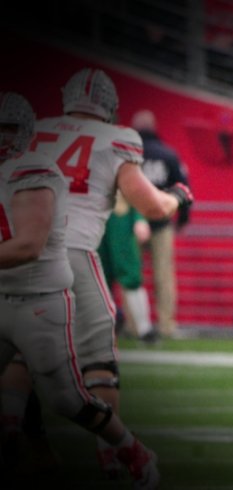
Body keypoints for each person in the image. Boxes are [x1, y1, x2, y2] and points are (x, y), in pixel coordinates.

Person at [19, 67, 193, 477]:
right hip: (73, 252)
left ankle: (30, 443)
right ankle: (113, 452)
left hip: (20, 254)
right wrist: (176, 198)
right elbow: (150, 206)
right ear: (109, 105)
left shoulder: (36, 129)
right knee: (98, 361)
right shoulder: (117, 138)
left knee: (17, 358)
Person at [0, 91, 160, 487]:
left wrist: (170, 201)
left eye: (9, 130)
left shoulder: (34, 170)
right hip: (6, 292)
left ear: (26, 134)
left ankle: (128, 448)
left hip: (39, 299)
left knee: (67, 399)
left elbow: (28, 245)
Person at [132, 109, 189, 339]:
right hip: (162, 222)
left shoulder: (128, 155)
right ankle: (167, 324)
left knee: (131, 276)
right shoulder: (168, 154)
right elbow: (182, 188)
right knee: (163, 277)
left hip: (132, 223)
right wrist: (183, 220)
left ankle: (135, 326)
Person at [97, 192, 157, 344]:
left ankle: (144, 329)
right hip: (93, 218)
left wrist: (139, 218)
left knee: (130, 277)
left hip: (119, 218)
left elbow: (133, 185)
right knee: (97, 279)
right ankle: (103, 327)